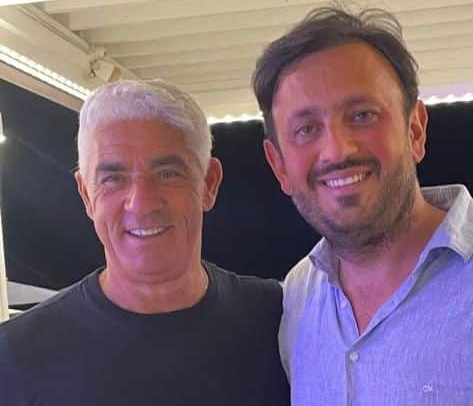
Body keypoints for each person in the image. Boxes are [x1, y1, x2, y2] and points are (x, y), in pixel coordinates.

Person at [0, 80, 290, 406]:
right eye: (113, 178)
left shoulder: (281, 321)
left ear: (209, 183)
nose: (141, 204)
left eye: (167, 173)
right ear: (86, 195)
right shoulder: (15, 358)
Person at [252, 5, 473, 405]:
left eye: (362, 115)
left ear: (415, 130)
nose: (338, 150)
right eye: (306, 129)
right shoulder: (298, 296)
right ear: (279, 165)